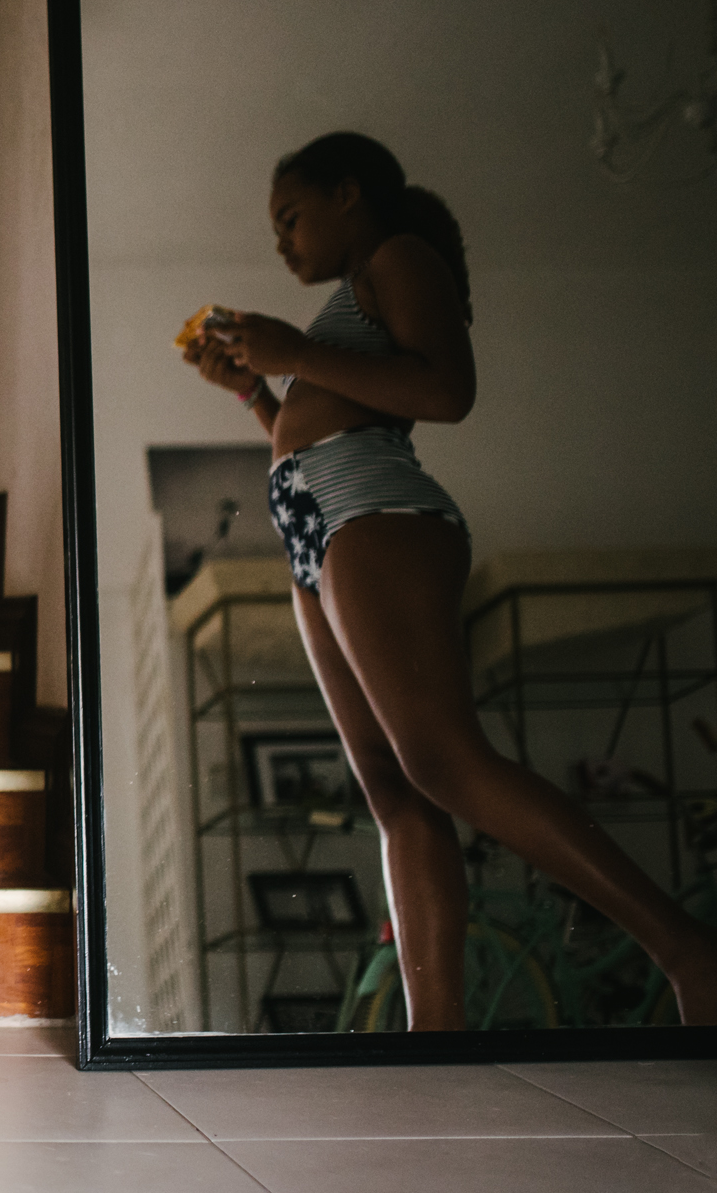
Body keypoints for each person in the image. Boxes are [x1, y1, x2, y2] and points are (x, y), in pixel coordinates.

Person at [182, 131, 717, 1028]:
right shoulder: (344, 308)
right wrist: (253, 391)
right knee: (395, 796)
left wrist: (293, 353)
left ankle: (686, 953)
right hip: (318, 531)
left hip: (375, 517)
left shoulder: (400, 256)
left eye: (291, 217)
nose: (281, 242)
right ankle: (435, 1035)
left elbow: (446, 390)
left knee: (444, 761)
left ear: (349, 192)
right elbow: (313, 428)